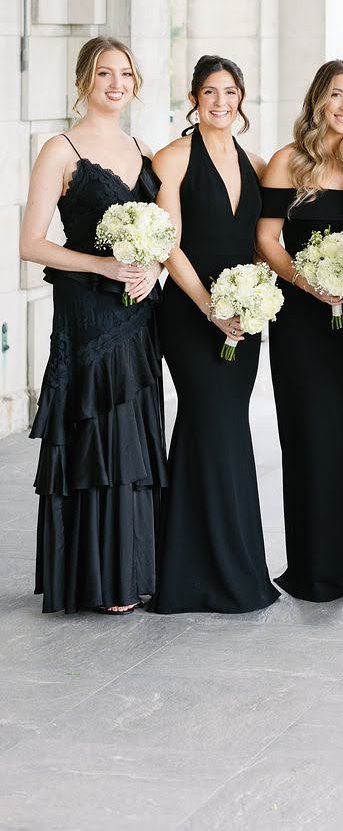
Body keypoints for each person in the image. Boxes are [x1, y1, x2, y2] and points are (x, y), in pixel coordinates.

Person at [20, 37, 165, 614]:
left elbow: (163, 232)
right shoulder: (60, 149)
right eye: (104, 73)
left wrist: (152, 268)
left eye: (125, 74)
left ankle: (132, 570)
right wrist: (102, 264)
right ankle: (98, 579)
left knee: (133, 432)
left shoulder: (143, 148)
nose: (116, 83)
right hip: (87, 312)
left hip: (138, 310)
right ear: (84, 80)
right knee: (98, 432)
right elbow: (31, 244)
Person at [149, 55, 277, 614]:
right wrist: (209, 307)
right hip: (189, 314)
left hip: (243, 320)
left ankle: (218, 569)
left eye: (230, 92)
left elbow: (259, 244)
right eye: (210, 92)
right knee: (209, 422)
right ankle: (198, 576)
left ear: (241, 98)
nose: (220, 102)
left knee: (225, 429)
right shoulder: (173, 158)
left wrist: (254, 299)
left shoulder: (256, 162)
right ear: (194, 98)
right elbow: (167, 244)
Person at [256, 59, 343, 601]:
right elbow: (267, 240)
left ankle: (339, 567)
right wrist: (307, 282)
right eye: (336, 95)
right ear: (318, 100)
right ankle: (305, 568)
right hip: (301, 322)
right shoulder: (288, 161)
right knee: (306, 435)